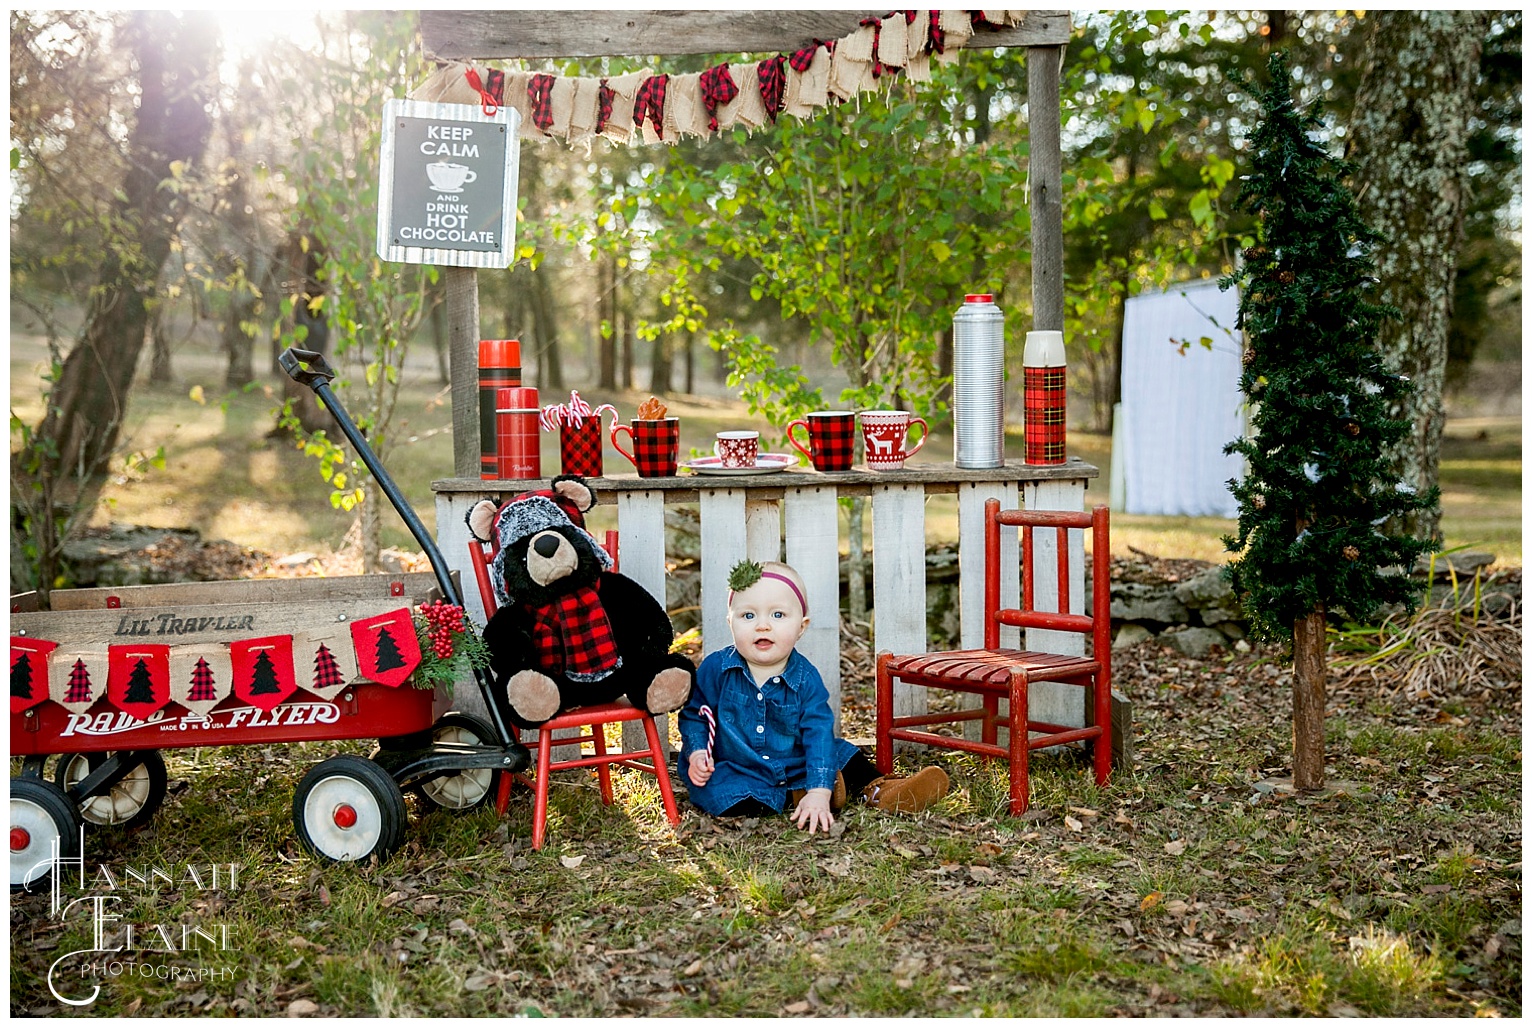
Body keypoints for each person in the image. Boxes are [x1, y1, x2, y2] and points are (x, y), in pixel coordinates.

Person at [678, 559, 949, 833]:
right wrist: (698, 752)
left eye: (778, 615)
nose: (762, 626)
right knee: (716, 793)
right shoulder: (717, 669)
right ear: (730, 622)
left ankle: (883, 790)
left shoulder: (806, 679)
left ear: (802, 626)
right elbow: (695, 714)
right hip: (738, 768)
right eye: (748, 616)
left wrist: (818, 789)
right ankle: (799, 796)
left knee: (840, 752)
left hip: (797, 764)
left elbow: (817, 734)